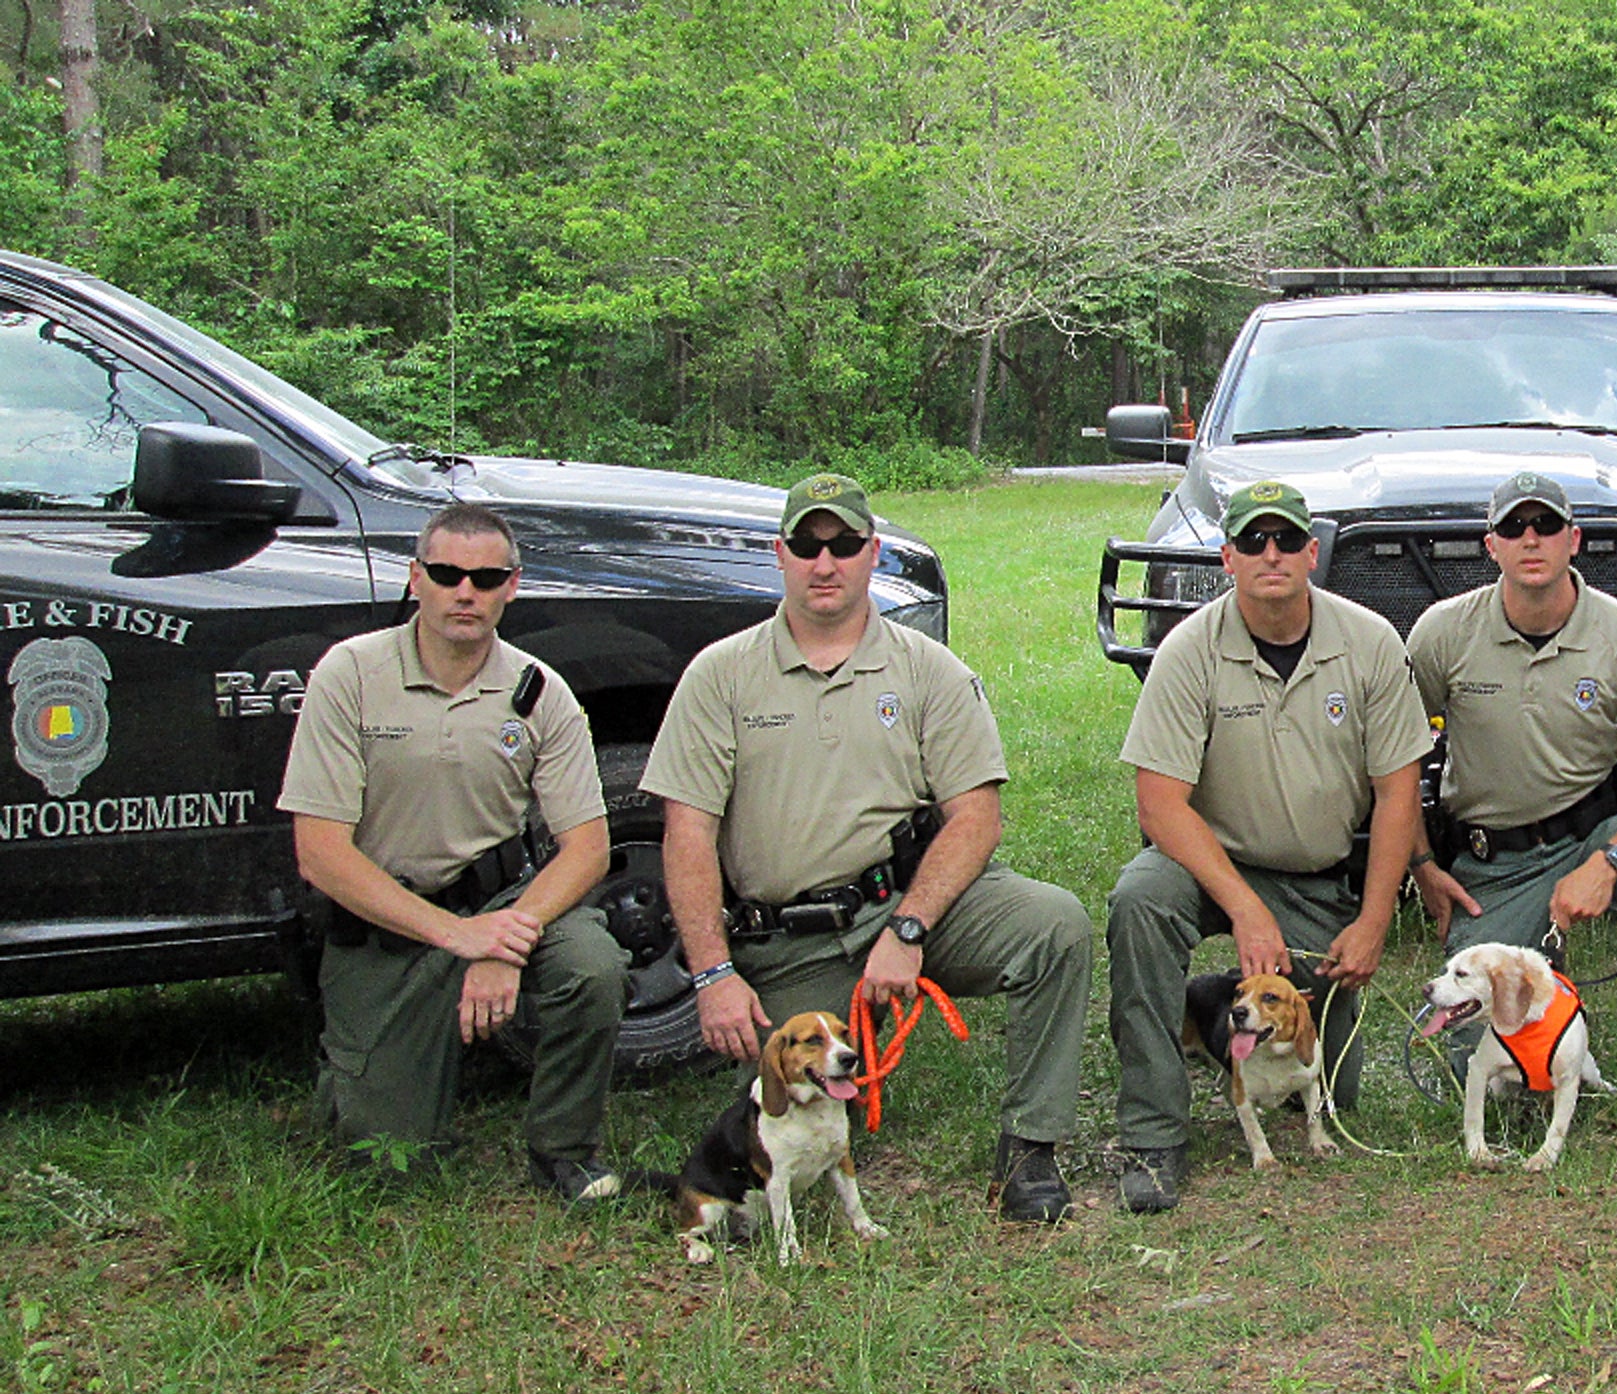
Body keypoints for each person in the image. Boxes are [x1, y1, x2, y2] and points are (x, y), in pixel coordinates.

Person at [641, 474, 1092, 1223]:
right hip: (790, 940)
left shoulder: (928, 669)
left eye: (845, 545)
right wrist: (713, 974)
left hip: (905, 904)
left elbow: (976, 817)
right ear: (779, 555)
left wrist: (909, 929)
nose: (826, 563)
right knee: (778, 1110)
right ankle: (845, 1029)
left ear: (873, 553)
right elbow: (686, 830)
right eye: (807, 546)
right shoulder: (720, 674)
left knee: (1054, 924)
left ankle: (1030, 1151)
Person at [281, 502, 631, 1201]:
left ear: (512, 586)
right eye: (446, 574)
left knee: (593, 968)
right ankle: (356, 1072)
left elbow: (587, 849)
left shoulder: (540, 693)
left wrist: (502, 943)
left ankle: (564, 1151)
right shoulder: (351, 674)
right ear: (416, 578)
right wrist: (456, 937)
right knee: (390, 1161)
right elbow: (318, 853)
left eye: (486, 577)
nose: (465, 592)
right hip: (388, 923)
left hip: (500, 903)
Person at [1107, 479, 1429, 1212]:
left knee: (1333, 1088)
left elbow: (1398, 793)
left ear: (1313, 553)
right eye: (1253, 541)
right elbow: (1159, 804)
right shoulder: (1187, 650)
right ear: (1228, 558)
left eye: (1286, 539)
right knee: (1139, 900)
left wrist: (1374, 919)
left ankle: (1247, 1024)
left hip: (1314, 876)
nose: (1270, 554)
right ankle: (1154, 1132)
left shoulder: (1371, 642)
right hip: (1208, 865)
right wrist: (1245, 910)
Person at [1404, 471, 1617, 1140]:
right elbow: (1395, 761)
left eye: (1547, 526)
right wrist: (1421, 866)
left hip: (1598, 831)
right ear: (1491, 545)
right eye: (1513, 528)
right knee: (1479, 1076)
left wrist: (1609, 861)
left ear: (1574, 540)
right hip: (1495, 857)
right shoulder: (1442, 633)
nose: (1531, 539)